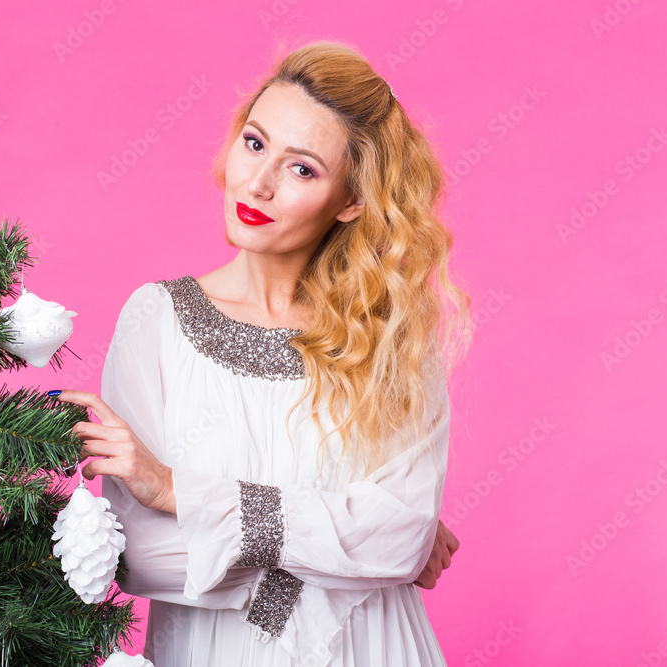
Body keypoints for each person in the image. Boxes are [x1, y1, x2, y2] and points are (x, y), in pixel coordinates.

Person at [54, 39, 473, 666]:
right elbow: (139, 558)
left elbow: (402, 537)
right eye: (255, 143)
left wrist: (177, 492)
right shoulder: (157, 321)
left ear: (352, 200)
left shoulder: (388, 337)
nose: (258, 182)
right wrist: (348, 551)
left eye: (302, 168)